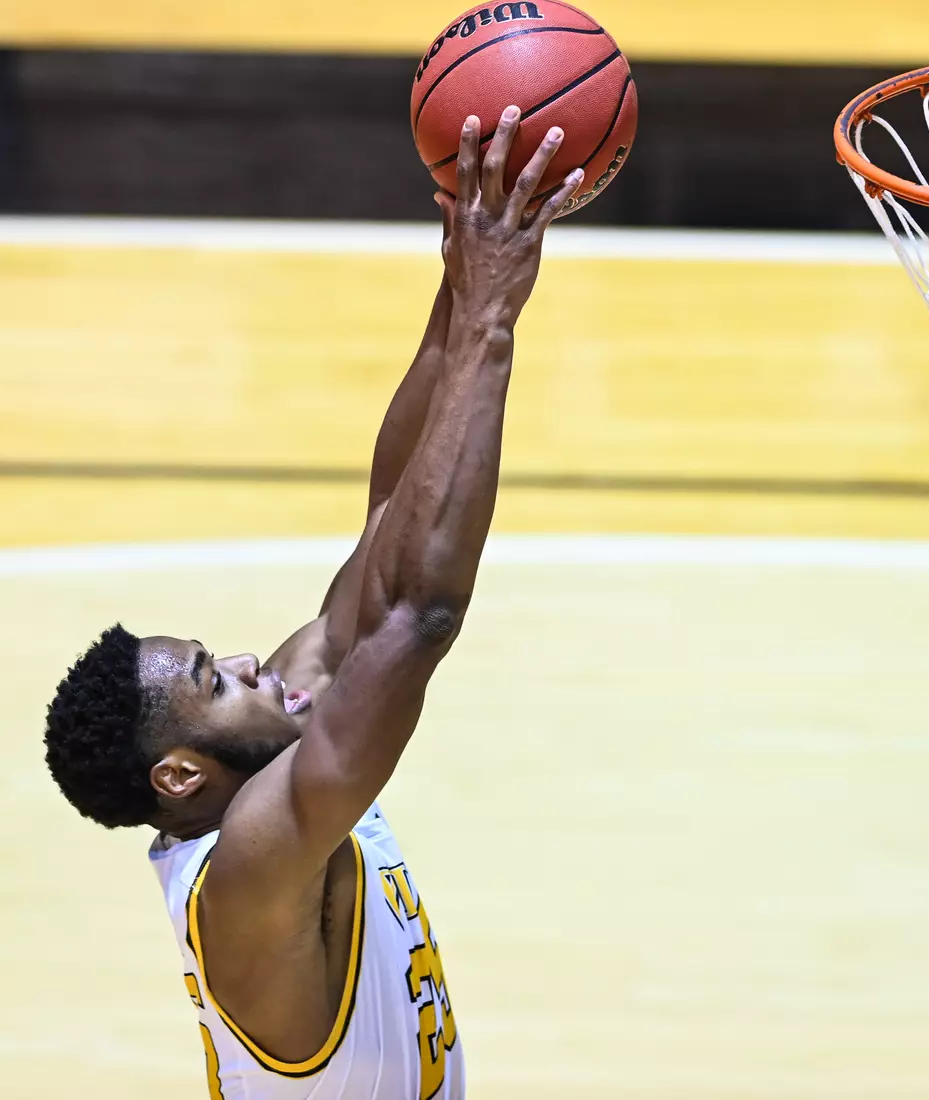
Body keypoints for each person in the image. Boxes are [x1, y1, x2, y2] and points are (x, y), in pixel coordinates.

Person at [44, 110, 582, 1099]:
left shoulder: (268, 753)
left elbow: (393, 511)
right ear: (180, 773)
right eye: (214, 680)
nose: (249, 662)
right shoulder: (252, 867)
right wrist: (493, 321)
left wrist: (466, 270)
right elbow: (418, 619)